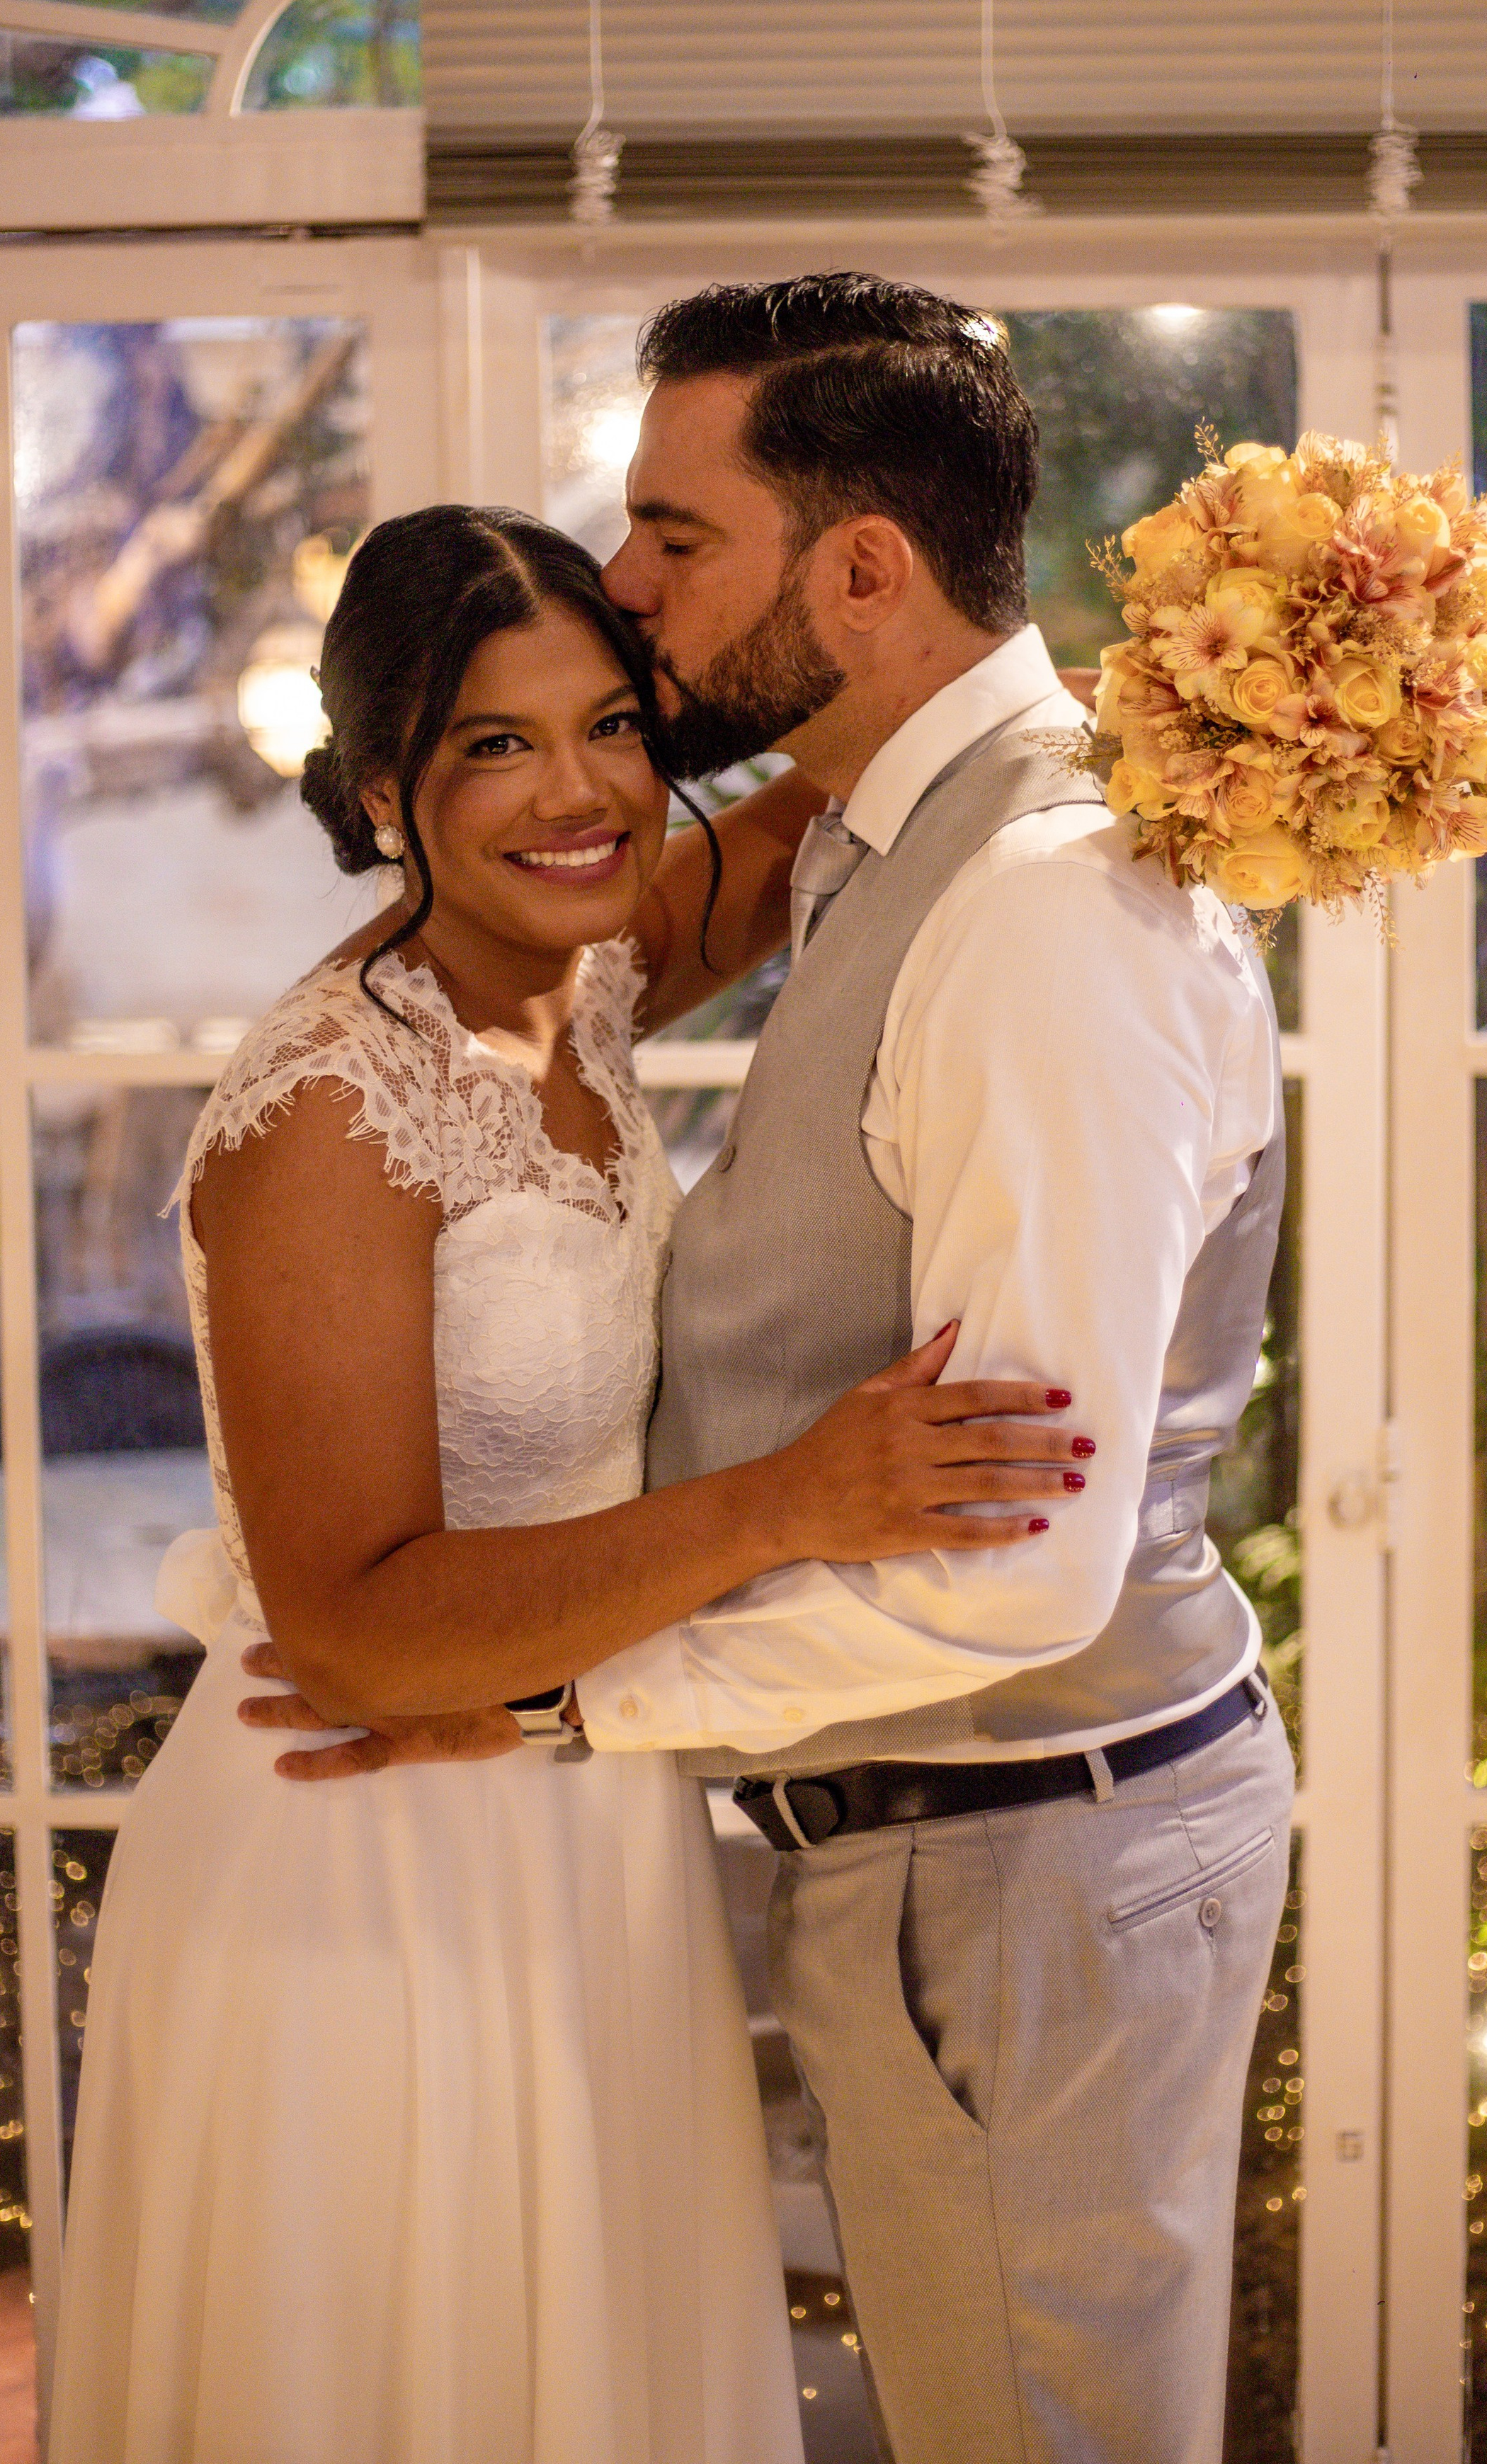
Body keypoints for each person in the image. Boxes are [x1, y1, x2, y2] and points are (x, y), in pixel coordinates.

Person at [251, 277, 1296, 2464]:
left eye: (671, 534)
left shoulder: (1034, 899)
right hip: (935, 1842)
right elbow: (515, 931)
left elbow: (1022, 1566)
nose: (625, 588)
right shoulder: (866, 835)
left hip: (1019, 1845)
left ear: (859, 571)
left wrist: (558, 1705)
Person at [47, 503, 1080, 2464]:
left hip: (578, 1817)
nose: (579, 793)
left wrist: (1102, 700)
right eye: (495, 747)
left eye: (611, 725)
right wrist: (784, 1501)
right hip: (363, 1863)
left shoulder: (576, 971)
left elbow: (835, 795)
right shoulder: (333, 1111)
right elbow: (351, 1635)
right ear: (383, 789)